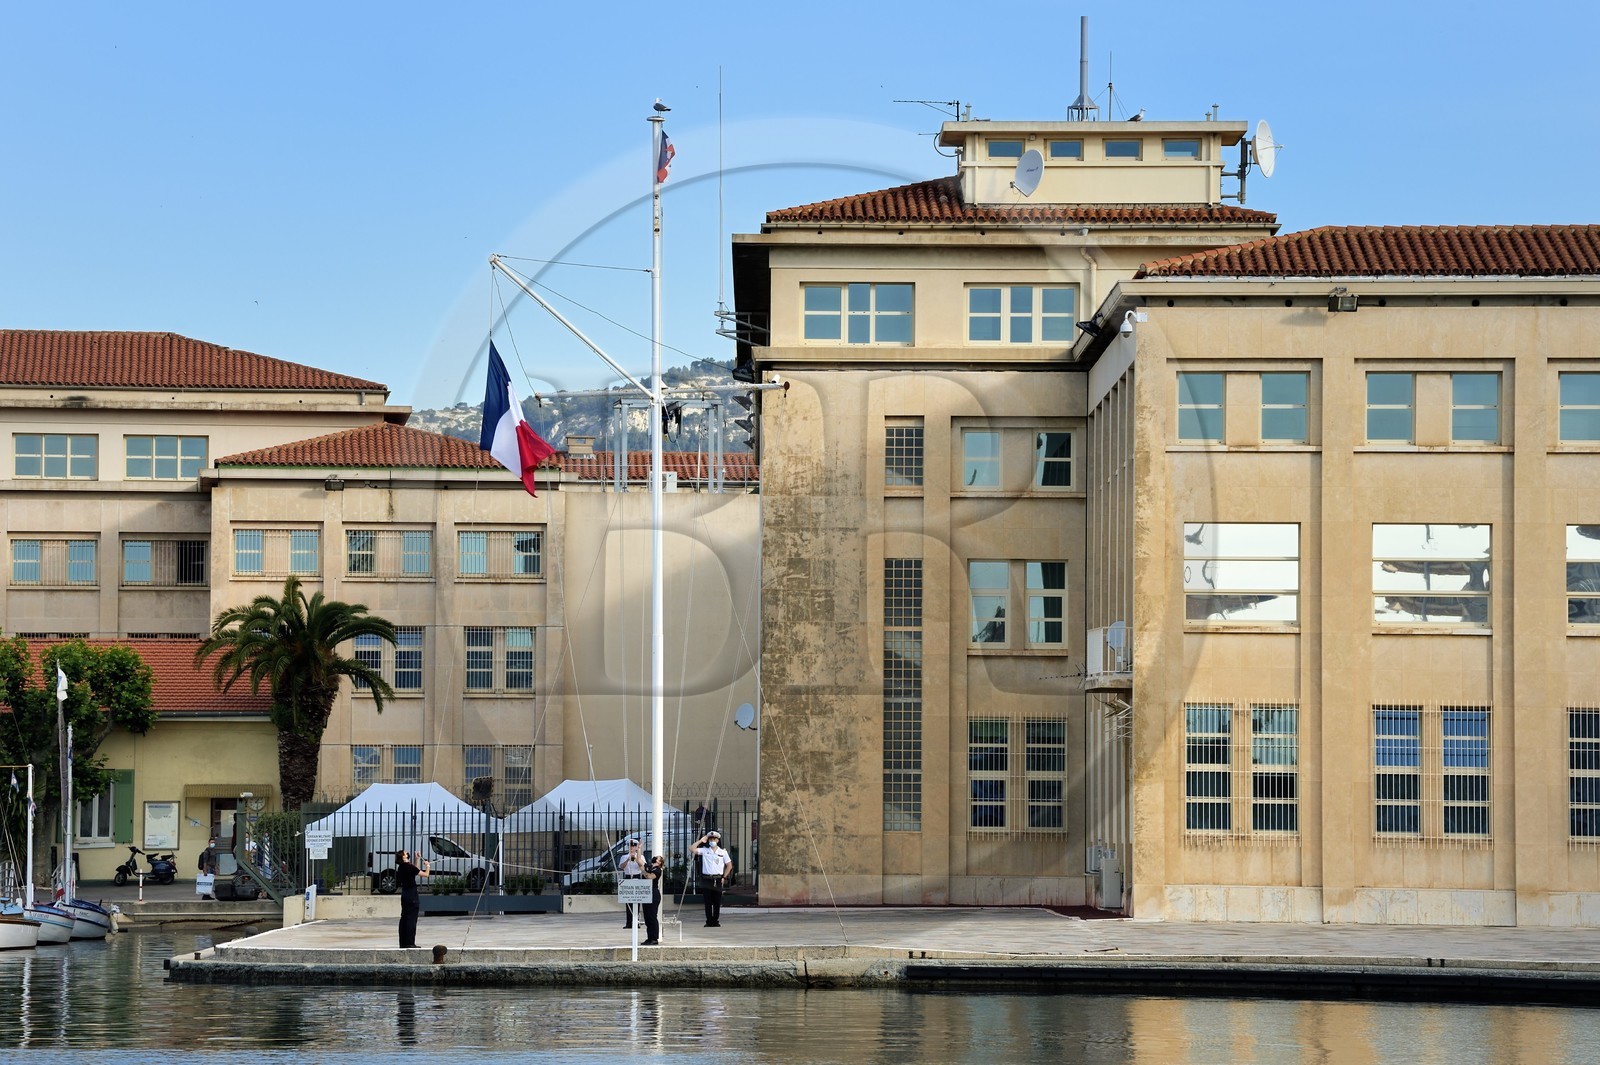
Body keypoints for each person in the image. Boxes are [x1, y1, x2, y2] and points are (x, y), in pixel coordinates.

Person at [689, 829, 732, 927]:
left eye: (714, 839)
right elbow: (691, 849)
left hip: (717, 879)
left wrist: (724, 877)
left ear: (717, 840)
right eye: (710, 839)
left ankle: (715, 921)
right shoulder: (705, 850)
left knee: (716, 902)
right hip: (706, 878)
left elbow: (729, 865)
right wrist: (700, 841)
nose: (712, 841)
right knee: (707, 902)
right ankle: (709, 921)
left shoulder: (723, 852)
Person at [395, 848, 431, 949]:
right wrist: (427, 866)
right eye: (405, 853)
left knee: (404, 918)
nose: (407, 853)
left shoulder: (402, 867)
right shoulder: (408, 867)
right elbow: (426, 875)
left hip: (405, 895)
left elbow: (414, 870)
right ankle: (410, 943)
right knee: (411, 919)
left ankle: (403, 943)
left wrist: (417, 859)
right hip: (412, 895)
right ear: (403, 856)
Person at [618, 837, 646, 929]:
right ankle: (629, 922)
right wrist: (628, 859)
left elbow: (642, 865)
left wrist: (636, 857)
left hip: (637, 877)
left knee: (636, 901)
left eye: (633, 846)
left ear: (637, 847)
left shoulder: (640, 856)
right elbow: (621, 866)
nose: (631, 848)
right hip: (628, 877)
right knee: (628, 901)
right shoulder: (624, 856)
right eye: (630, 846)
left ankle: (636, 922)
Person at [641, 853, 665, 945]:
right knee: (647, 917)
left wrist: (643, 871)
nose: (655, 858)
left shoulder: (657, 870)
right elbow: (640, 861)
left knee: (652, 916)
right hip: (646, 893)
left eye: (657, 858)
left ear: (659, 862)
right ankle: (649, 937)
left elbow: (650, 877)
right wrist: (639, 849)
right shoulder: (649, 867)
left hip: (653, 893)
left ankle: (654, 938)